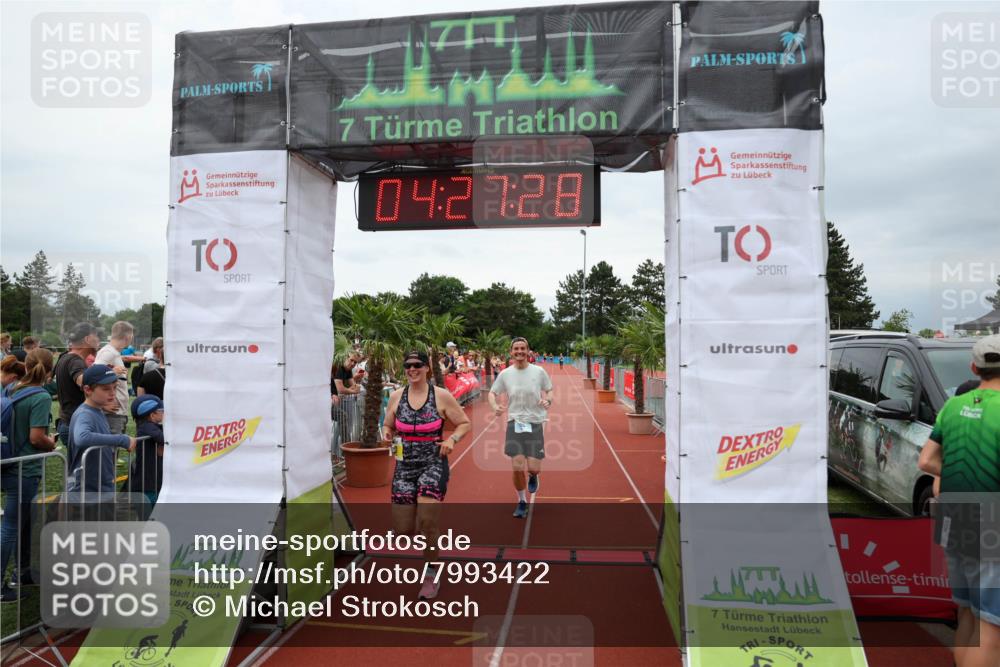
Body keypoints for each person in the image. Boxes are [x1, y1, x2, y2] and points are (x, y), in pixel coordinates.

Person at [918, 334, 1000, 667]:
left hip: (954, 516)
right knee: (991, 632)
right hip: (991, 522)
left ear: (974, 368)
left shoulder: (953, 405)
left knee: (967, 614)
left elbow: (926, 460)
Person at [382, 351, 470, 600]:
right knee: (402, 530)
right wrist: (386, 433)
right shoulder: (397, 396)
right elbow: (388, 424)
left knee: (427, 524)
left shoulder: (440, 396)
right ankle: (423, 537)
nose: (412, 369)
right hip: (404, 467)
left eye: (417, 365)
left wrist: (451, 440)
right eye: (408, 365)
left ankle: (431, 573)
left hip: (433, 463)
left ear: (427, 368)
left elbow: (464, 423)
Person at [0, 349, 57, 602]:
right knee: (11, 527)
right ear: (49, 371)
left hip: (7, 462)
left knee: (19, 524)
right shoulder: (41, 396)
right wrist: (51, 443)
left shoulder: (11, 388)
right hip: (25, 469)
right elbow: (36, 437)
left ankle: (22, 573)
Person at [489, 337, 554, 518]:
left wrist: (548, 401)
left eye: (522, 348)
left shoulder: (538, 371)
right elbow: (492, 393)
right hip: (515, 422)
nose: (519, 351)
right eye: (516, 349)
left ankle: (533, 475)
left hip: (535, 423)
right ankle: (522, 501)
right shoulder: (505, 374)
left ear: (528, 351)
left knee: (533, 467)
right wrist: (495, 407)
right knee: (517, 466)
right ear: (511, 352)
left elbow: (549, 390)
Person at [67, 364, 136, 495]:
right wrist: (121, 440)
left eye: (115, 387)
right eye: (105, 389)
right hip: (87, 491)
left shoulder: (97, 410)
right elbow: (82, 437)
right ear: (88, 390)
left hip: (99, 486)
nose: (112, 393)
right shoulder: (85, 414)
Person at [54, 323, 101, 446]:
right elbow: (83, 382)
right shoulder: (76, 361)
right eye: (96, 336)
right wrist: (106, 374)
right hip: (75, 424)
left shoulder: (65, 357)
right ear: (87, 339)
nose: (99, 340)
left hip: (68, 421)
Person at [94, 321, 135, 434]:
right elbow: (92, 376)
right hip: (112, 415)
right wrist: (103, 405)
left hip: (116, 414)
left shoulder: (113, 352)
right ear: (128, 337)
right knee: (111, 446)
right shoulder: (109, 353)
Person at [130, 395, 165, 505]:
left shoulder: (150, 426)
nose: (164, 414)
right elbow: (163, 438)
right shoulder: (147, 427)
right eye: (161, 411)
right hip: (146, 483)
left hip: (152, 479)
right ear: (152, 415)